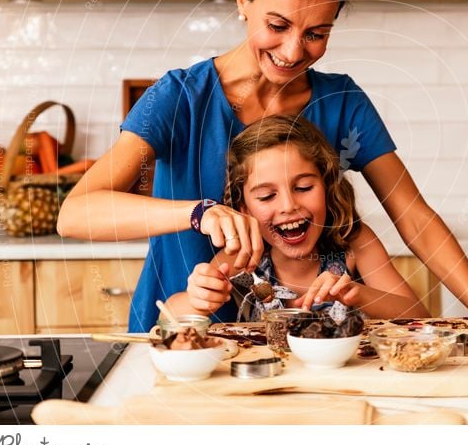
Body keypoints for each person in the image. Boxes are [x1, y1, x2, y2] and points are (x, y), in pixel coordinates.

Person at [57, 0, 468, 331]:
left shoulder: (342, 103)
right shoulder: (179, 98)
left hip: (297, 349)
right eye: (277, 25)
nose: (294, 51)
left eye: (318, 32)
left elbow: (415, 218)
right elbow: (76, 213)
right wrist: (198, 212)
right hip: (186, 339)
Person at [166, 115, 429, 321]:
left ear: (327, 186)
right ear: (243, 209)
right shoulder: (243, 256)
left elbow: (419, 316)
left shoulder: (353, 241)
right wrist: (197, 297)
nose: (289, 206)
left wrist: (358, 294)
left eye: (303, 188)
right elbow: (168, 315)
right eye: (267, 196)